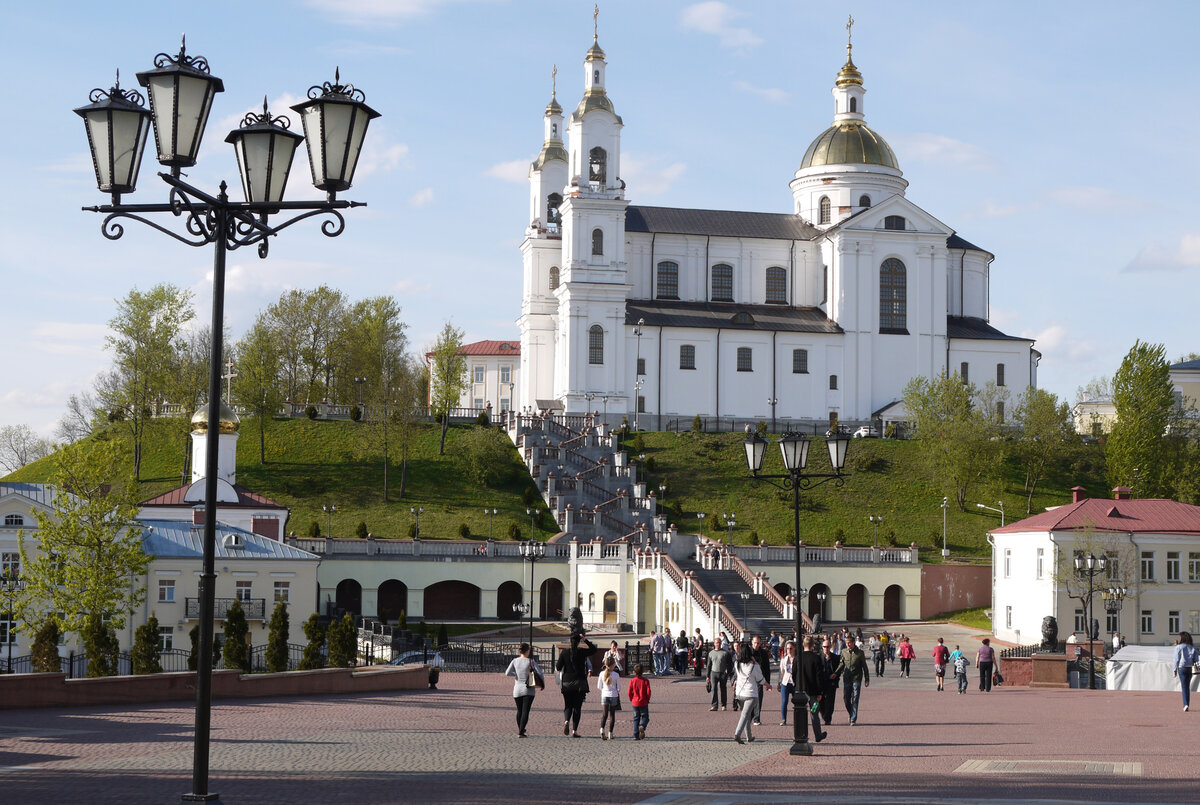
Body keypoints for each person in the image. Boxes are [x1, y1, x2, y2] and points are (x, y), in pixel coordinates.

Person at [555, 632, 596, 737]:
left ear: (570, 641)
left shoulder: (564, 653)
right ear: (579, 642)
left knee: (568, 705)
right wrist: (585, 640)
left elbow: (558, 667)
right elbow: (594, 650)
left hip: (567, 683)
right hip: (580, 683)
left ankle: (566, 721)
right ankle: (574, 731)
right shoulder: (581, 652)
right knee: (577, 707)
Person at [503, 643, 543, 737]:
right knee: (525, 711)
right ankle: (521, 731)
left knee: (519, 710)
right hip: (528, 689)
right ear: (527, 651)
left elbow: (507, 673)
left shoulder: (515, 661)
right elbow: (540, 673)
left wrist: (516, 675)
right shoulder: (530, 661)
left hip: (517, 689)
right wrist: (541, 684)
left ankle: (521, 729)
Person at [732, 643, 769, 743]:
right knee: (745, 715)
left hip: (739, 693)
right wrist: (768, 685)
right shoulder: (754, 666)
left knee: (747, 715)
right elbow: (761, 680)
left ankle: (749, 736)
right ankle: (737, 734)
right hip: (750, 694)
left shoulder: (737, 664)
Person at [835, 633, 869, 725]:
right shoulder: (844, 652)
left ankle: (853, 719)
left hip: (856, 678)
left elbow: (864, 667)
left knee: (855, 698)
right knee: (846, 699)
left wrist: (867, 679)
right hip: (847, 678)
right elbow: (841, 664)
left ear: (853, 643)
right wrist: (836, 673)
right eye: (846, 643)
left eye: (849, 643)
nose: (848, 645)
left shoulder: (860, 653)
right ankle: (851, 713)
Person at [799, 635, 827, 743]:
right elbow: (819, 677)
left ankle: (801, 734)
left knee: (801, 712)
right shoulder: (816, 658)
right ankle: (818, 734)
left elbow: (794, 674)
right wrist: (820, 692)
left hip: (801, 692)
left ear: (803, 645)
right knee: (814, 712)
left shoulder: (798, 657)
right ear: (812, 645)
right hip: (814, 693)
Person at [750, 634, 773, 726]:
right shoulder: (748, 652)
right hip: (750, 679)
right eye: (755, 643)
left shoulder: (763, 653)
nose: (756, 645)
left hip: (760, 679)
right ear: (752, 642)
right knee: (750, 699)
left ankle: (756, 718)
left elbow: (767, 668)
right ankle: (749, 716)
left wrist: (768, 682)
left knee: (759, 698)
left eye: (758, 643)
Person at [1173, 631, 1199, 712]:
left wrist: (1174, 671)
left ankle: (1186, 705)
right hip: (1190, 668)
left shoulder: (1178, 647)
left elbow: (1176, 659)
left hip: (1182, 668)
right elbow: (1196, 659)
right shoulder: (1193, 647)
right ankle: (1186, 704)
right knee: (1187, 687)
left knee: (1184, 687)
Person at [705, 635, 733, 711]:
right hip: (713, 673)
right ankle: (714, 705)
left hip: (723, 673)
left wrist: (728, 670)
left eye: (719, 643)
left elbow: (730, 663)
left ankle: (724, 705)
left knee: (723, 689)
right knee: (714, 689)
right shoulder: (711, 653)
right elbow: (708, 665)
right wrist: (707, 676)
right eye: (717, 642)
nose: (718, 644)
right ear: (714, 644)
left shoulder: (725, 653)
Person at [597, 655, 621, 740]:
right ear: (613, 665)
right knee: (612, 714)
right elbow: (619, 688)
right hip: (613, 695)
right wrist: (615, 690)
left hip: (604, 694)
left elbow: (599, 686)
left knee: (604, 714)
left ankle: (601, 729)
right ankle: (610, 733)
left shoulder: (601, 674)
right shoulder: (616, 675)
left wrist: (604, 690)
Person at [818, 637, 840, 726]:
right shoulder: (818, 658)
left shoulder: (835, 658)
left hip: (831, 682)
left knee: (830, 701)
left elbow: (839, 669)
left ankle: (828, 718)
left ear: (830, 647)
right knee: (821, 701)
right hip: (822, 682)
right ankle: (824, 715)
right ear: (822, 647)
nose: (826, 649)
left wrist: (836, 675)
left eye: (827, 647)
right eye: (824, 647)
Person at [628, 663, 651, 738]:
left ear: (634, 672)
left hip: (635, 701)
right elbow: (648, 692)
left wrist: (631, 699)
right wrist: (647, 700)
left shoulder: (632, 680)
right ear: (643, 671)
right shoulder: (645, 681)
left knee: (636, 718)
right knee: (645, 717)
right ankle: (642, 725)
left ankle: (635, 734)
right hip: (643, 701)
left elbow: (629, 692)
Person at [777, 640, 797, 726]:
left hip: (795, 683)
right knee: (784, 701)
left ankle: (798, 719)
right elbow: (781, 672)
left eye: (791, 648)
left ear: (794, 649)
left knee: (797, 702)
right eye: (787, 648)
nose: (789, 650)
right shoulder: (784, 659)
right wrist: (779, 682)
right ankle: (784, 719)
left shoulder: (797, 659)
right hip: (785, 682)